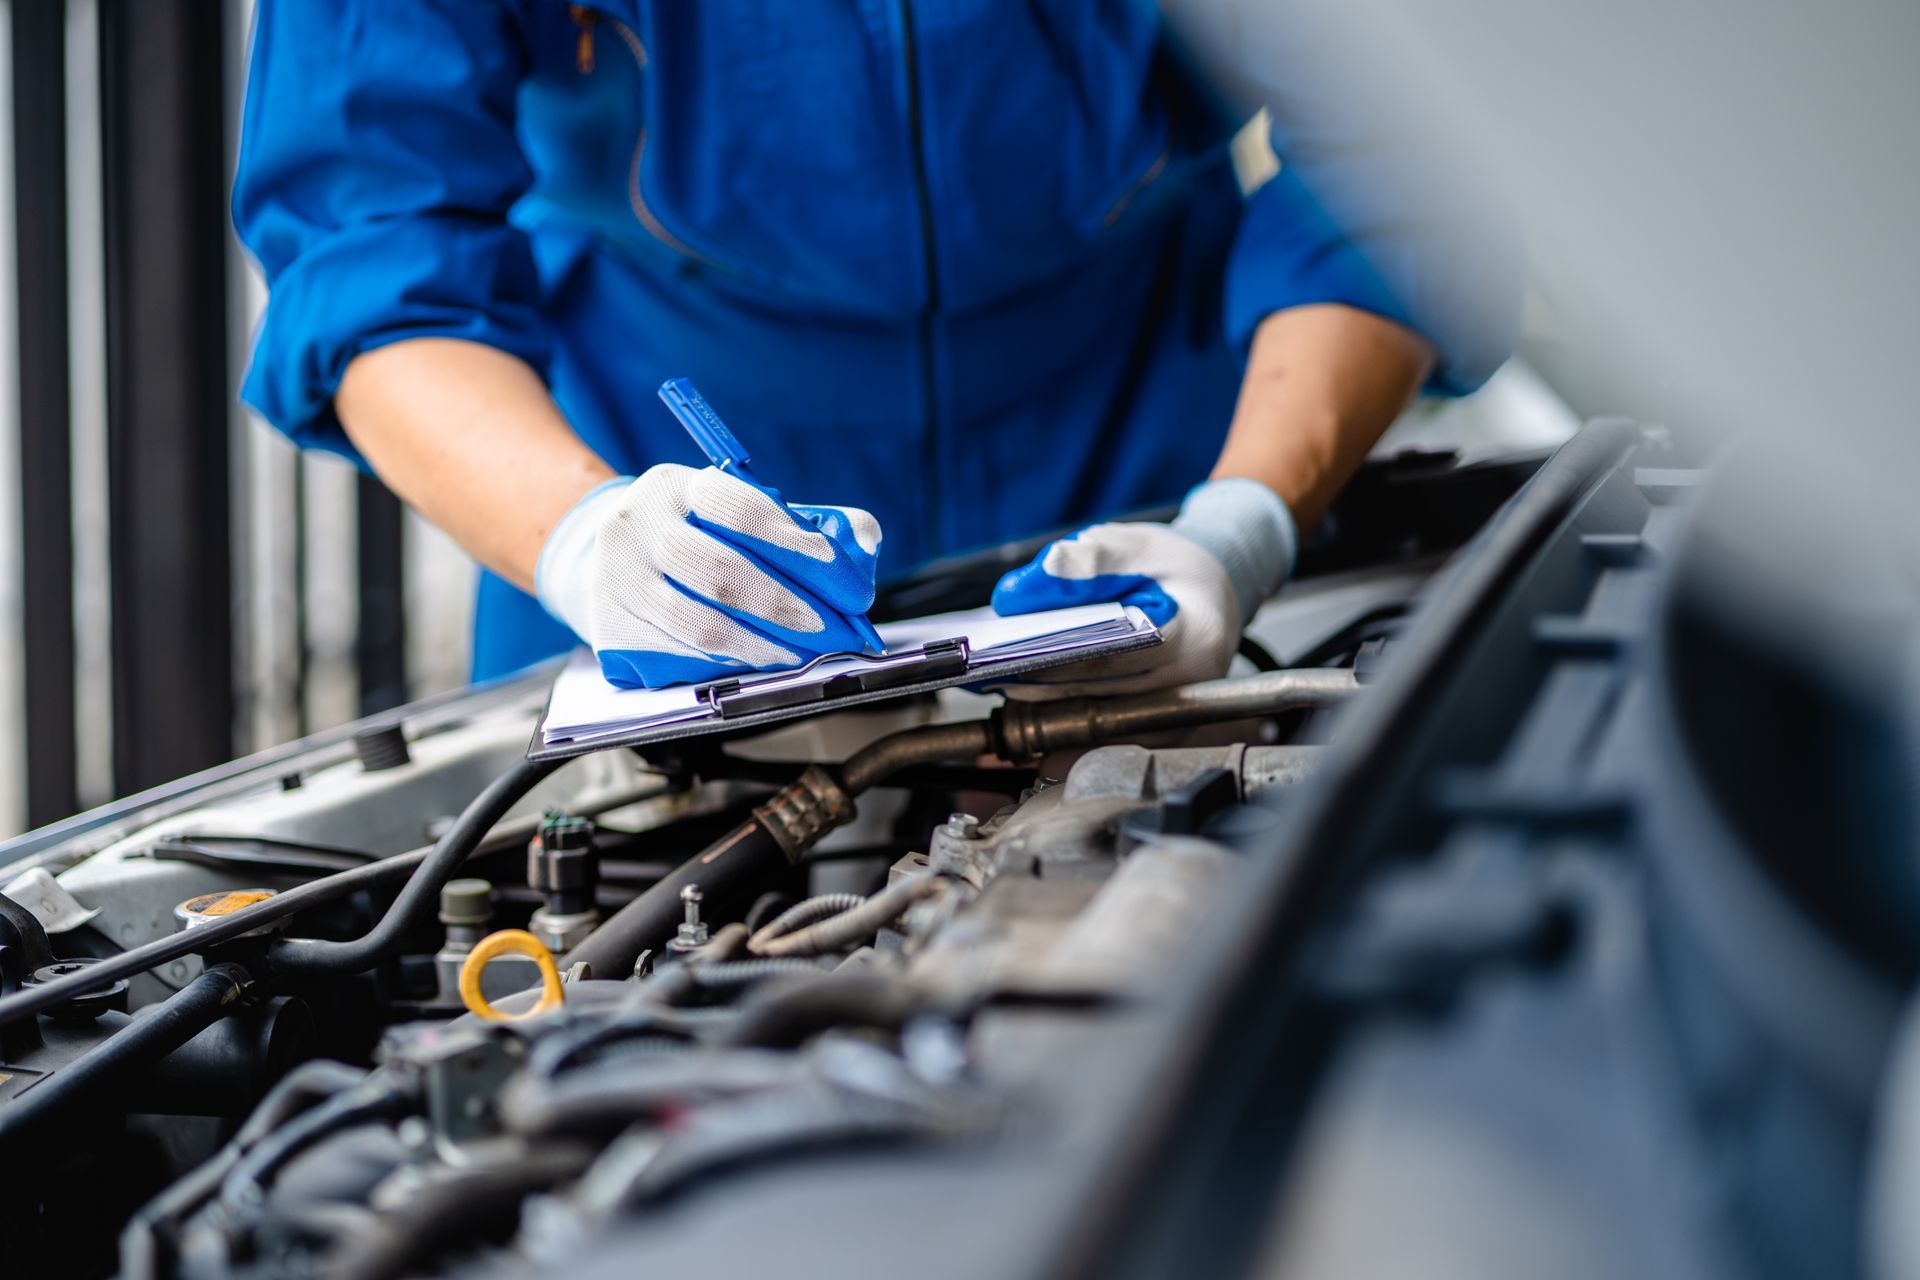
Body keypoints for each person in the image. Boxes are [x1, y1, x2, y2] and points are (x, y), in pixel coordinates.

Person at [233, 2, 1518, 693]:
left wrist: (1244, 519)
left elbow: (1407, 153)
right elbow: (371, 234)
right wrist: (582, 538)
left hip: (1167, 421)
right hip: (646, 464)